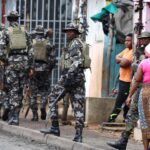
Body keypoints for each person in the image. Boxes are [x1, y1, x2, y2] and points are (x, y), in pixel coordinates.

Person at [40, 22, 86, 143]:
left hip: (70, 77)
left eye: (70, 31)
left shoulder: (75, 44)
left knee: (52, 97)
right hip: (79, 78)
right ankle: (78, 135)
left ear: (75, 32)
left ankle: (55, 127)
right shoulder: (78, 42)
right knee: (78, 106)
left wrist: (69, 78)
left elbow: (77, 62)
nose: (68, 33)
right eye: (67, 31)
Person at [107, 31, 150, 150]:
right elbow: (133, 71)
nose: (142, 41)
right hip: (138, 88)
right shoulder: (138, 52)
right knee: (131, 114)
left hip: (146, 87)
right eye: (141, 39)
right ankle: (123, 141)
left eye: (145, 39)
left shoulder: (147, 54)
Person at [0, 11, 33, 125]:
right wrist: (30, 66)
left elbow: (1, 50)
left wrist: (5, 61)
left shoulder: (5, 32)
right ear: (17, 19)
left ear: (9, 20)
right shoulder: (25, 32)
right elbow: (31, 51)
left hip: (12, 63)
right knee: (20, 90)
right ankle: (16, 116)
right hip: (24, 64)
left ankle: (13, 116)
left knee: (13, 89)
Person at [29, 25, 56, 121]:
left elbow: (28, 57)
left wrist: (30, 69)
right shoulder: (48, 43)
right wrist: (49, 69)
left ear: (36, 32)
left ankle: (35, 115)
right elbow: (53, 59)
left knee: (33, 93)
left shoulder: (31, 43)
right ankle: (43, 106)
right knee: (45, 91)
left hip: (33, 70)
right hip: (45, 69)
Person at [107, 33, 133, 122]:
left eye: (129, 40)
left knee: (120, 101)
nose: (126, 42)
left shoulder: (133, 52)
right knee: (124, 100)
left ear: (133, 41)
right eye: (126, 40)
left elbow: (124, 64)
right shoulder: (126, 50)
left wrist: (121, 60)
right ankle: (125, 119)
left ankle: (111, 120)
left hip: (128, 81)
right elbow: (116, 57)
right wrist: (122, 60)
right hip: (122, 80)